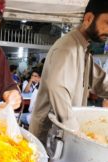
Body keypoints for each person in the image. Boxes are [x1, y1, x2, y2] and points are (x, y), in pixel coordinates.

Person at [29, 0, 108, 144]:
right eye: (107, 23)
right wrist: (79, 137)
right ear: (89, 19)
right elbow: (58, 92)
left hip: (63, 137)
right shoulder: (67, 48)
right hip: (50, 139)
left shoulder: (82, 49)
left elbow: (101, 82)